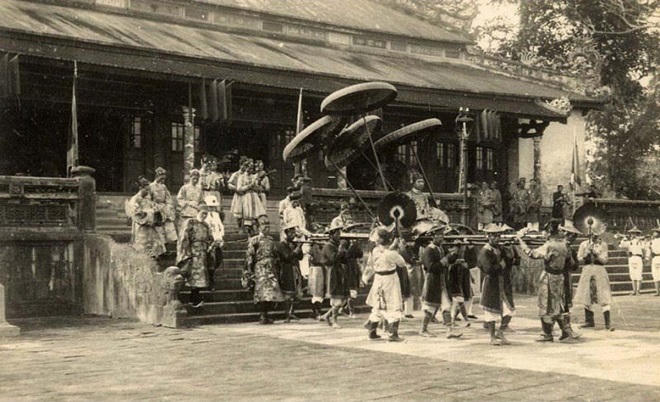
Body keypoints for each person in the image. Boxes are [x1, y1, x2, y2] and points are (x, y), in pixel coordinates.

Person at [518, 226, 579, 342]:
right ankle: (566, 332)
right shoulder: (565, 246)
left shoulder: (549, 245)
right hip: (560, 277)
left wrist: (521, 242)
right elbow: (570, 262)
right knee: (559, 305)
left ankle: (547, 334)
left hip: (549, 277)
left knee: (545, 306)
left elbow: (532, 254)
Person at [362, 228, 407, 341]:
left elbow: (371, 266)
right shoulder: (391, 253)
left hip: (378, 279)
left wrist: (365, 278)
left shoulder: (375, 251)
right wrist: (399, 249)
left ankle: (372, 330)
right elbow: (402, 263)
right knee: (394, 305)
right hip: (390, 279)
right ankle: (393, 334)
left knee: (378, 305)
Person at [419, 226, 462, 338]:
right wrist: (447, 259)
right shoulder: (429, 250)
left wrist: (456, 250)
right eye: (438, 235)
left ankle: (449, 330)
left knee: (446, 305)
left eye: (442, 234)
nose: (441, 237)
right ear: (433, 236)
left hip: (442, 281)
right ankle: (423, 330)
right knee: (430, 307)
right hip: (433, 280)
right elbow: (431, 267)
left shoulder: (440, 248)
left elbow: (449, 260)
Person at [478, 223, 516, 346]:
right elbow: (487, 269)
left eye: (498, 236)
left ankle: (500, 332)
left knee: (509, 310)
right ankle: (492, 337)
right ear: (488, 236)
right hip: (491, 283)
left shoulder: (500, 249)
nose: (496, 238)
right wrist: (500, 265)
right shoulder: (485, 251)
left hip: (503, 283)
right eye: (493, 236)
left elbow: (509, 262)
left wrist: (510, 254)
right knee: (491, 312)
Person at [245, 215, 284, 324]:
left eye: (268, 224)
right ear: (258, 227)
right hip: (260, 268)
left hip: (271, 268)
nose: (266, 227)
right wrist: (249, 270)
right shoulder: (254, 240)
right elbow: (249, 256)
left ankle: (267, 315)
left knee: (271, 293)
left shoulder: (271, 240)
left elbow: (275, 254)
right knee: (261, 292)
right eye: (263, 224)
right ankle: (262, 315)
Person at [573, 229, 614, 331]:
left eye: (597, 234)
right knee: (587, 294)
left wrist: (596, 255)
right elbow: (579, 259)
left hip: (599, 270)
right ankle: (589, 320)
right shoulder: (584, 244)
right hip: (587, 270)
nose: (595, 236)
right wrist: (585, 255)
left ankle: (607, 323)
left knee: (603, 294)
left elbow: (605, 260)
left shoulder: (603, 245)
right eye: (592, 234)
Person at [177, 203, 214, 308]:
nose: (204, 216)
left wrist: (212, 245)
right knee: (193, 275)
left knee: (200, 276)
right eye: (203, 213)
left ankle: (195, 298)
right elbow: (184, 238)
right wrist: (187, 252)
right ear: (198, 212)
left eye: (206, 214)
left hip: (203, 253)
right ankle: (193, 298)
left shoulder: (206, 225)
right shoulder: (190, 222)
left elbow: (210, 238)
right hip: (193, 252)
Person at [319, 220, 352, 328]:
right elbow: (333, 259)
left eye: (339, 234)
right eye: (337, 234)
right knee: (336, 298)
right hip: (332, 273)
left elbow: (344, 259)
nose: (339, 236)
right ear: (331, 235)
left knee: (342, 298)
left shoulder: (336, 245)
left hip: (340, 273)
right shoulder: (328, 246)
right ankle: (334, 320)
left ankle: (327, 316)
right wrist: (341, 250)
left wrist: (345, 250)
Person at [126, 177, 166, 258]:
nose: (147, 192)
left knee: (154, 242)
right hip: (142, 225)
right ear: (140, 188)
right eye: (145, 189)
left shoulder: (148, 199)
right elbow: (135, 212)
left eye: (148, 190)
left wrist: (156, 210)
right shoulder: (135, 199)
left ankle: (153, 258)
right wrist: (148, 214)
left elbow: (154, 207)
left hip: (150, 224)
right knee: (141, 244)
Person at [274, 223, 304, 322]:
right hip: (286, 270)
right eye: (291, 233)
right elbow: (287, 257)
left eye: (294, 232)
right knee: (288, 293)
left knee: (296, 292)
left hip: (295, 269)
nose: (293, 235)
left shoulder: (294, 244)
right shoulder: (281, 245)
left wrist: (299, 247)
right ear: (286, 233)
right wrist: (297, 248)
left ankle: (292, 312)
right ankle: (287, 314)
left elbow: (300, 257)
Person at [560, 221, 582, 334]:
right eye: (570, 235)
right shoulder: (557, 247)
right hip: (556, 276)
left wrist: (571, 258)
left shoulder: (571, 250)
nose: (571, 238)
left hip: (566, 276)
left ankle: (567, 329)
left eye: (574, 236)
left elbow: (575, 266)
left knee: (566, 303)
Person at [149, 167, 177, 251]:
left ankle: (169, 245)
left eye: (164, 179)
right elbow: (148, 199)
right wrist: (155, 207)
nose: (162, 180)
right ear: (157, 176)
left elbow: (168, 198)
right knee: (159, 228)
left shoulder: (164, 187)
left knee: (168, 226)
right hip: (155, 208)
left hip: (164, 208)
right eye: (161, 178)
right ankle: (162, 247)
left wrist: (168, 206)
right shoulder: (151, 186)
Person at [203, 195, 224, 291]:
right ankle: (210, 281)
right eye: (210, 207)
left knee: (218, 259)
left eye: (213, 207)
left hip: (217, 240)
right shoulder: (204, 215)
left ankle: (211, 277)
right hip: (208, 241)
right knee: (210, 262)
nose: (212, 208)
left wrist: (220, 237)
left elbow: (220, 226)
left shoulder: (216, 215)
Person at [176, 169, 203, 238]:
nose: (195, 180)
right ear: (190, 178)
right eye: (194, 178)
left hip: (196, 211)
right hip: (186, 210)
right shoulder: (185, 187)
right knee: (185, 231)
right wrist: (188, 203)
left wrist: (200, 206)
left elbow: (201, 200)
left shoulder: (199, 189)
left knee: (195, 231)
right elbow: (179, 198)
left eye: (197, 179)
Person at [619, 226, 645, 296]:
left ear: (638, 234)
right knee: (632, 274)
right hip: (631, 258)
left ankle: (638, 291)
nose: (633, 234)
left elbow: (643, 247)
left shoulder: (641, 241)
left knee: (639, 274)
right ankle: (634, 290)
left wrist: (639, 239)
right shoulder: (629, 241)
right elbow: (622, 245)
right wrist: (624, 238)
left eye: (635, 233)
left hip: (638, 257)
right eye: (632, 233)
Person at [650, 226, 660, 296]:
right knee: (655, 275)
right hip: (655, 258)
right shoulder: (652, 241)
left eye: (655, 232)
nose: (653, 233)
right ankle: (657, 291)